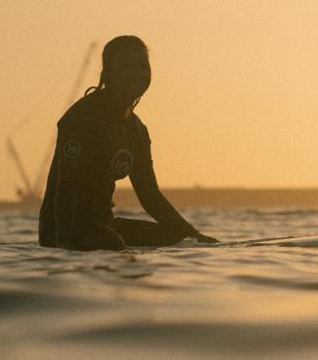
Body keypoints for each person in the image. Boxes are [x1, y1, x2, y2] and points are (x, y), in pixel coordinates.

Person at [38, 35, 218, 250]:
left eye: (142, 66)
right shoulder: (82, 117)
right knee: (112, 243)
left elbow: (149, 195)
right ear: (108, 75)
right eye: (126, 67)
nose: (136, 74)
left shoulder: (137, 131)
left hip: (105, 224)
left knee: (177, 238)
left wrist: (194, 235)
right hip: (64, 228)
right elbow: (65, 188)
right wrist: (63, 245)